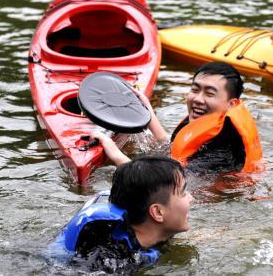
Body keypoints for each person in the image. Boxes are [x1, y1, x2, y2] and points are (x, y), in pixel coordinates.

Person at [93, 62, 262, 173]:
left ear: (231, 104)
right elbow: (170, 146)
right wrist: (146, 109)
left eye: (209, 94)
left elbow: (160, 187)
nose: (198, 99)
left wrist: (114, 153)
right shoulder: (208, 123)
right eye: (195, 90)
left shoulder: (223, 150)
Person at [52, 156, 191, 271]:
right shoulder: (109, 260)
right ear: (158, 212)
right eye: (184, 193)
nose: (191, 198)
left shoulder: (152, 226)